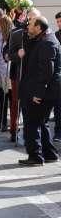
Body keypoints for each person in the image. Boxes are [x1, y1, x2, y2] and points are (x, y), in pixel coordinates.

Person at [17, 16, 61, 166]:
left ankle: (35, 156)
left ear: (39, 27)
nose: (28, 26)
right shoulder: (43, 39)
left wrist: (38, 93)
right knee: (41, 123)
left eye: (30, 25)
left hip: (42, 93)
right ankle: (49, 154)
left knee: (32, 123)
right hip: (41, 90)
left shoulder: (47, 42)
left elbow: (47, 71)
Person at [8, 7, 42, 142]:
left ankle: (34, 135)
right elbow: (10, 54)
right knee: (16, 104)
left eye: (35, 19)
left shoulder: (43, 36)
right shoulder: (17, 34)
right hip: (19, 75)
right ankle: (14, 130)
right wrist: (18, 54)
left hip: (36, 77)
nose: (32, 21)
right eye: (30, 18)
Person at [53, 11, 61, 140]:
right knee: (58, 105)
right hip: (58, 74)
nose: (59, 24)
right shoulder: (55, 35)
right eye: (58, 22)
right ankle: (58, 132)